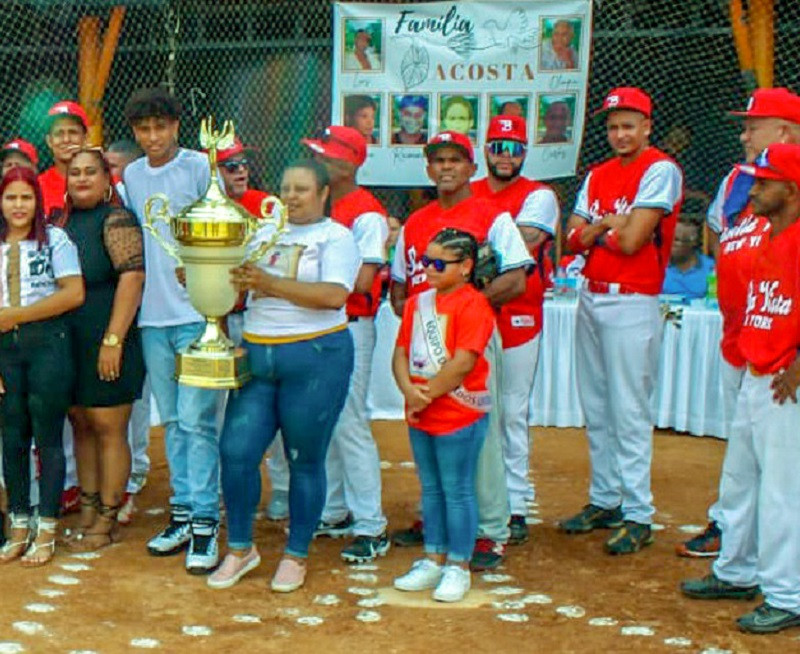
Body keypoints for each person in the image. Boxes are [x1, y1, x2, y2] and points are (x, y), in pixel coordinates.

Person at [208, 159, 358, 593]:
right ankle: (240, 548)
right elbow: (240, 289)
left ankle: (296, 554)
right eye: (286, 188)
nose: (291, 196)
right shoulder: (261, 232)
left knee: (303, 457)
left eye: (302, 189)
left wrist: (269, 283)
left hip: (316, 355)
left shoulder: (336, 237)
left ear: (324, 193)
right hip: (259, 353)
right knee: (236, 451)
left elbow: (334, 295)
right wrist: (207, 280)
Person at [390, 130, 532, 571]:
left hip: (471, 332)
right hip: (425, 330)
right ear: (428, 168)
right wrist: (419, 316)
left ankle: (491, 530)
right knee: (429, 421)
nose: (446, 167)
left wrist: (466, 308)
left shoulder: (493, 215)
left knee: (478, 430)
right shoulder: (415, 222)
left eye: (455, 159)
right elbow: (399, 285)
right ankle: (438, 518)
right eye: (438, 160)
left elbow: (517, 278)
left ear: (472, 167)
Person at [681, 143, 800, 635]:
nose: (753, 190)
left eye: (764, 183)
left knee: (782, 492)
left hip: (785, 382)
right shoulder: (772, 236)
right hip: (757, 369)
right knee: (739, 479)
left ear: (791, 189)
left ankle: (788, 593)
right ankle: (736, 570)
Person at [561, 87, 683, 554]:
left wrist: (602, 231)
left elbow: (634, 242)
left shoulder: (660, 168)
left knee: (629, 409)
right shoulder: (598, 173)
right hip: (591, 295)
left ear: (647, 126)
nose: (620, 133)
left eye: (628, 124)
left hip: (632, 299)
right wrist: (606, 225)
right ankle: (605, 498)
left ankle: (638, 513)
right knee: (595, 405)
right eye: (613, 126)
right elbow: (571, 238)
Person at [122, 86, 222, 574]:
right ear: (135, 133)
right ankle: (183, 512)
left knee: (198, 418)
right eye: (144, 128)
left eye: (161, 126)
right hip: (152, 318)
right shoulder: (132, 176)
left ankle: (206, 521)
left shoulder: (202, 167)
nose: (154, 136)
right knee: (176, 421)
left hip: (198, 315)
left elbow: (225, 227)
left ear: (176, 126)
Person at [392, 228, 494, 603]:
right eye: (425, 261)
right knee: (431, 489)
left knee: (457, 489)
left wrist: (424, 396)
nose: (428, 269)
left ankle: (458, 564)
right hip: (422, 408)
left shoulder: (474, 305)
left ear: (466, 267)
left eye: (438, 263)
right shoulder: (418, 303)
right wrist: (408, 389)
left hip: (458, 411)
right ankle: (432, 557)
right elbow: (400, 352)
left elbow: (464, 362)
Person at [303, 126, 389, 562]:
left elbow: (363, 281)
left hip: (352, 322)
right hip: (320, 322)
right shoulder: (322, 206)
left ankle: (371, 525)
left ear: (349, 162)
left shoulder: (366, 213)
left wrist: (307, 280)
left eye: (327, 155)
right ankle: (336, 511)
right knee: (327, 420)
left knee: (350, 421)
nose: (320, 160)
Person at [471, 115, 559, 545]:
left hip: (520, 311)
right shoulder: (469, 191)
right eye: (498, 146)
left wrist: (475, 248)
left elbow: (522, 244)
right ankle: (477, 500)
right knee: (471, 406)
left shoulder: (539, 195)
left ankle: (516, 503)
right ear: (485, 149)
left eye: (515, 148)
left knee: (512, 410)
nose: (506, 156)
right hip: (475, 313)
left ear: (526, 151)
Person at [54, 149, 145, 551]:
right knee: (82, 426)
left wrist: (114, 339)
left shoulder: (116, 218)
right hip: (69, 340)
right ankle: (89, 510)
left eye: (91, 172)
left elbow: (132, 277)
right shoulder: (60, 223)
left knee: (109, 428)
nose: (82, 179)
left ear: (108, 180)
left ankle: (107, 518)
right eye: (75, 173)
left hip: (108, 336)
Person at [0, 168, 84, 566]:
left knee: (47, 436)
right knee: (12, 435)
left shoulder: (55, 239)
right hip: (5, 351)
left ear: (37, 201)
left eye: (26, 197)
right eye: (11, 197)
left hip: (48, 344)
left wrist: (19, 314)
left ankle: (47, 525)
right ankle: (19, 523)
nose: (19, 206)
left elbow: (73, 293)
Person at [38, 101, 90, 216]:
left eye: (73, 132)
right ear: (49, 141)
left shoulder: (105, 182)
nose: (66, 139)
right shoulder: (37, 187)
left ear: (85, 138)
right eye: (59, 134)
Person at [661, 218, 715, 299]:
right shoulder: (657, 266)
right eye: (668, 239)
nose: (669, 244)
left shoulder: (711, 268)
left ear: (692, 243)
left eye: (676, 240)